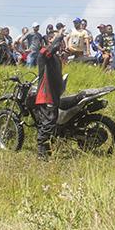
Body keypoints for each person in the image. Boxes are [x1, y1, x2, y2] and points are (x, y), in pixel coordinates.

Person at [33, 29, 66, 160]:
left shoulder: (56, 57)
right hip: (46, 94)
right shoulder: (43, 53)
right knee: (48, 122)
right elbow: (49, 51)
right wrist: (59, 37)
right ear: (48, 40)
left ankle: (48, 149)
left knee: (52, 122)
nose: (59, 40)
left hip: (54, 93)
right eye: (54, 37)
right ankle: (41, 153)